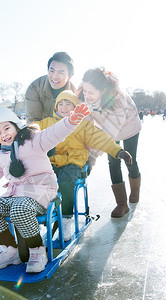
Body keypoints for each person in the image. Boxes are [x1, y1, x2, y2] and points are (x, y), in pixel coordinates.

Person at [0, 101, 91, 273]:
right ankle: (11, 251)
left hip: (42, 191)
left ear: (16, 126)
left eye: (6, 128)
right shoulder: (0, 155)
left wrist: (72, 119)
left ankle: (37, 251)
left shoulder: (33, 141)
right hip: (15, 194)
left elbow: (54, 133)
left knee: (19, 209)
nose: (4, 134)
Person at [34, 90, 132, 239]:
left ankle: (66, 219)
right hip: (52, 162)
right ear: (55, 107)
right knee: (39, 180)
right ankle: (44, 213)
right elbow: (30, 132)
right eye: (60, 104)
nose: (64, 107)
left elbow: (101, 139)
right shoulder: (46, 123)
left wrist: (118, 151)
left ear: (75, 108)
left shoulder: (82, 125)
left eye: (68, 104)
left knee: (65, 183)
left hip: (73, 162)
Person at [78, 67, 141, 218]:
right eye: (85, 91)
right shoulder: (84, 94)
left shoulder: (118, 99)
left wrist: (93, 155)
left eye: (91, 93)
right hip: (108, 126)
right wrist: (85, 152)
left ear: (103, 90)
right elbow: (86, 125)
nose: (87, 96)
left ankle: (135, 192)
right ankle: (122, 204)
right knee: (112, 161)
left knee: (129, 159)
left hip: (129, 126)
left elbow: (109, 133)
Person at [25, 52, 77, 122]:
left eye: (60, 73)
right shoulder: (34, 88)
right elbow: (33, 121)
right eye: (52, 71)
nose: (55, 77)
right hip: (40, 129)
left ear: (69, 76)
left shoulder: (74, 94)